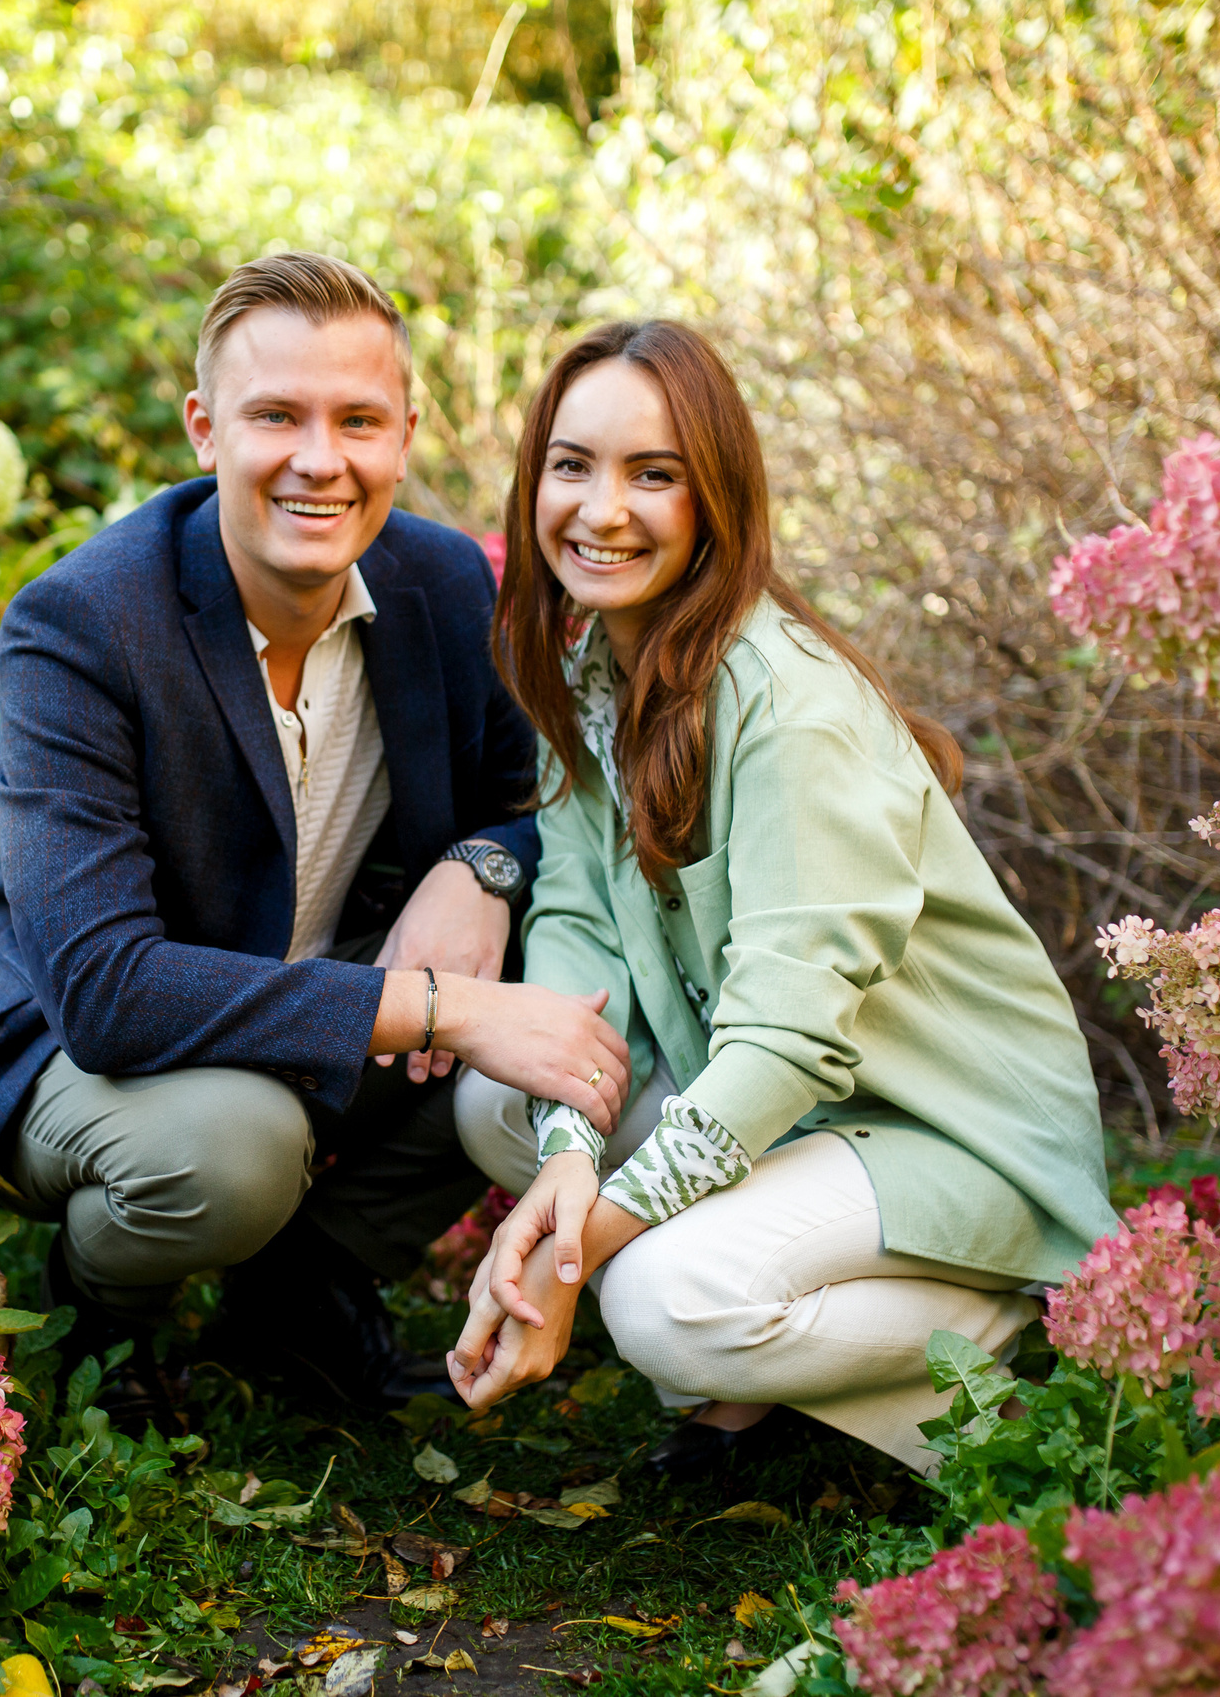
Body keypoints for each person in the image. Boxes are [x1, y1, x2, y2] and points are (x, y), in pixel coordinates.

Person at [0, 253, 631, 1413]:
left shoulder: (438, 584)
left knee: (577, 986)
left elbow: (538, 811)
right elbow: (106, 992)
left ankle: (302, 1291)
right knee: (235, 1150)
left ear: (404, 436)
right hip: (84, 1045)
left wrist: (477, 868)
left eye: (357, 420)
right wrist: (449, 1009)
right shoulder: (81, 624)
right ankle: (103, 1316)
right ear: (204, 429)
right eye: (276, 415)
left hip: (312, 989)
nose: (319, 459)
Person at [448, 320, 1122, 1475]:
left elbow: (787, 1042)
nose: (601, 510)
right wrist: (565, 1159)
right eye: (571, 465)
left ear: (714, 498)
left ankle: (989, 1347)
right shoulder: (592, 671)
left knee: (657, 1301)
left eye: (652, 475)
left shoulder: (790, 712)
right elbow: (573, 926)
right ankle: (767, 1383)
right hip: (791, 1115)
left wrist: (573, 1252)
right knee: (503, 1105)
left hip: (942, 1134)